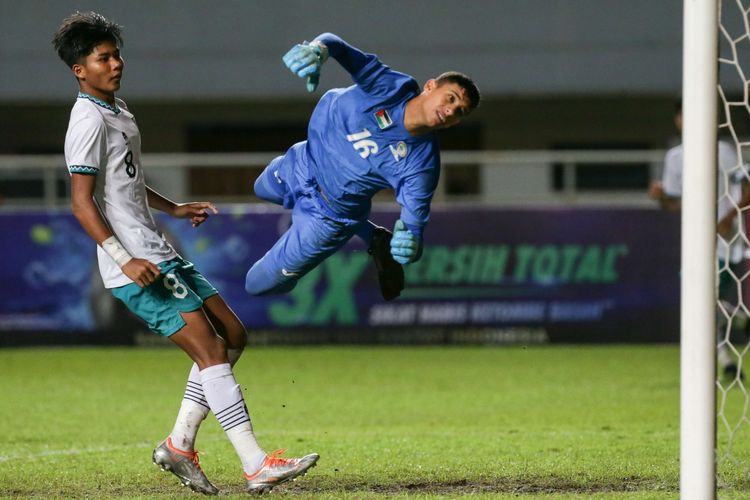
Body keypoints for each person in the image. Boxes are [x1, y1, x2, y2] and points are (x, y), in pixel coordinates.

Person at [53, 12, 318, 495]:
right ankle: (256, 464)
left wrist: (173, 208)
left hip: (156, 249)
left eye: (116, 54)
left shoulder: (117, 109)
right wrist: (123, 258)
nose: (116, 63)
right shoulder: (87, 119)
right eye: (103, 58)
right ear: (80, 70)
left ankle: (178, 446)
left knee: (233, 335)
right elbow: (80, 201)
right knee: (212, 350)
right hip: (137, 263)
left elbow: (125, 182)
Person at [244, 33, 480, 300]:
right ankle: (371, 235)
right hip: (301, 160)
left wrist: (409, 247)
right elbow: (336, 45)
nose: (451, 110)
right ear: (429, 87)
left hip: (327, 216)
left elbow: (413, 231)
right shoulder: (392, 87)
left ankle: (317, 257)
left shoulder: (421, 164)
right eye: (450, 98)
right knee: (260, 188)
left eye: (460, 111)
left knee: (257, 284)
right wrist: (318, 50)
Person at [648, 100, 750, 381]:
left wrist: (728, 216)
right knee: (700, 303)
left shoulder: (723, 151)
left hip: (725, 241)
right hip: (694, 241)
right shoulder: (675, 158)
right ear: (678, 121)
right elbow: (674, 204)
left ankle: (727, 351)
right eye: (683, 117)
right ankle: (730, 351)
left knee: (705, 302)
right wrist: (661, 197)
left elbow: (746, 189)